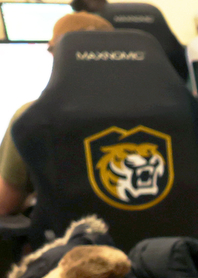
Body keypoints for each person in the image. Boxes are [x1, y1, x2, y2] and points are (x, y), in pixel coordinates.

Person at [0, 12, 114, 221]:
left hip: (68, 239)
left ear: (59, 54)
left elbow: (5, 205)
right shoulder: (156, 110)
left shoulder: (32, 117)